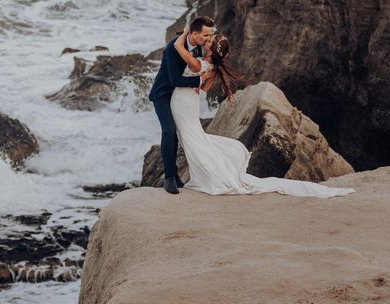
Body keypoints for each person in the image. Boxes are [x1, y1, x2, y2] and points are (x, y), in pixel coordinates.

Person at [170, 30, 356, 197]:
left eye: (209, 40)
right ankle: (207, 175)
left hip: (185, 104)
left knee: (191, 137)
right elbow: (202, 88)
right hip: (188, 103)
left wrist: (187, 33)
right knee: (193, 137)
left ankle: (211, 176)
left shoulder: (201, 65)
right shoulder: (211, 67)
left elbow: (179, 48)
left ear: (211, 49)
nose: (207, 40)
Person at [148, 16, 216, 194]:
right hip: (163, 95)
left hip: (180, 98)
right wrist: (200, 79)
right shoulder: (173, 48)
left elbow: (201, 65)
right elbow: (175, 79)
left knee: (179, 134)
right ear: (194, 33)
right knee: (169, 131)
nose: (208, 39)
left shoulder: (200, 47)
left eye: (209, 36)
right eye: (205, 35)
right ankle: (169, 178)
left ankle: (176, 176)